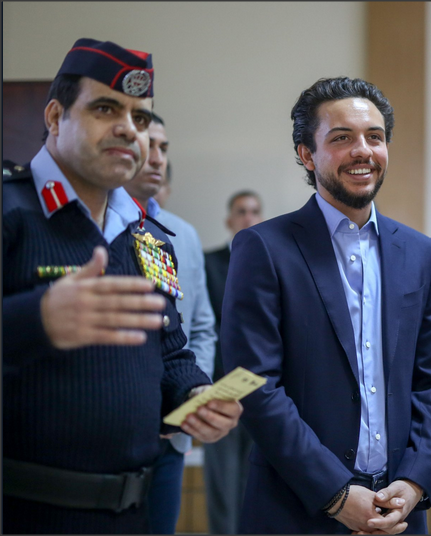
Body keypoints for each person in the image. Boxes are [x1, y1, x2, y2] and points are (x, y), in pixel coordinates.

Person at [2, 38, 241, 534]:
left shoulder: (150, 238)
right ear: (55, 117)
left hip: (135, 512)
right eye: (105, 108)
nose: (129, 129)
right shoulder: (10, 212)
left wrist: (196, 394)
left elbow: (170, 352)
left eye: (140, 117)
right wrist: (37, 319)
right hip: (26, 511)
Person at [220, 77, 431, 534]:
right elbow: (254, 384)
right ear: (307, 154)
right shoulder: (263, 247)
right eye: (342, 138)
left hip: (398, 509)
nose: (362, 151)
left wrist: (414, 481)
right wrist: (335, 493)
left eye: (375, 137)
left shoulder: (420, 252)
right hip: (295, 507)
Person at [123, 113, 217, 533]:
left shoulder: (167, 236)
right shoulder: (93, 225)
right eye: (150, 145)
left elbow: (187, 332)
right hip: (111, 427)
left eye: (164, 148)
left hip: (171, 431)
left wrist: (191, 397)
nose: (158, 158)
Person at [203, 190, 262, 534]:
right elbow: (204, 326)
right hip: (220, 388)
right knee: (223, 487)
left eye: (254, 211)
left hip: (263, 392)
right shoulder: (208, 263)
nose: (248, 217)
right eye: (241, 211)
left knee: (256, 486)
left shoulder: (273, 263)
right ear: (229, 220)